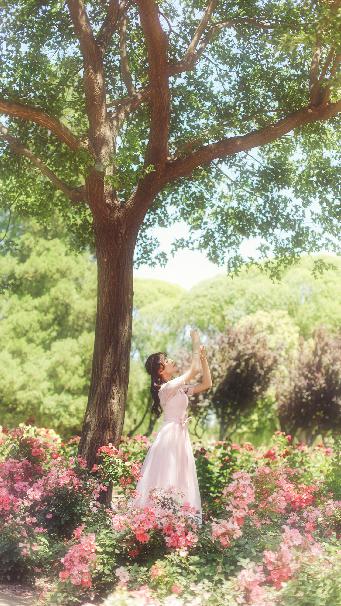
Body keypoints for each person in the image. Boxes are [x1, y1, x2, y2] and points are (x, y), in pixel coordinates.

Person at [127, 329, 212, 526]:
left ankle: (178, 524)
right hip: (170, 437)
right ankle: (158, 523)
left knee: (181, 476)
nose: (171, 360)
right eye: (167, 359)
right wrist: (195, 340)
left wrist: (204, 359)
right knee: (167, 475)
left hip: (180, 437)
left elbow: (206, 383)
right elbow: (194, 371)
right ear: (160, 370)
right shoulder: (167, 388)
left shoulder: (179, 388)